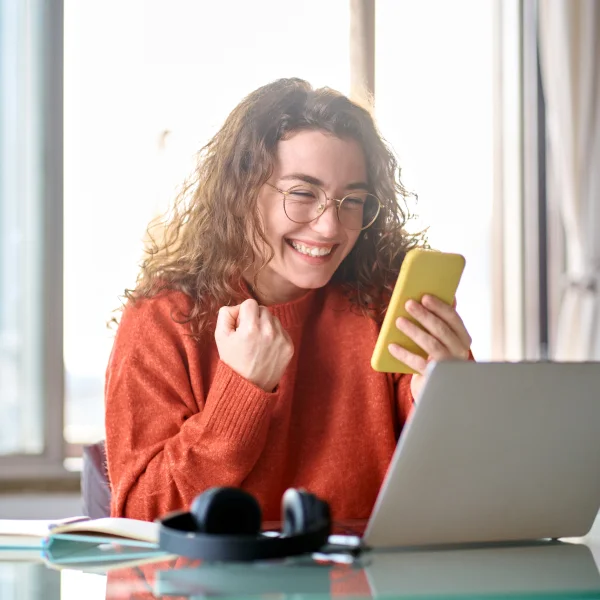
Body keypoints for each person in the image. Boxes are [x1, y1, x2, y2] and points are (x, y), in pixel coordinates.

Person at [105, 78, 473, 523]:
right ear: (241, 191)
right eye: (302, 194)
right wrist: (240, 393)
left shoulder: (385, 308)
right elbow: (139, 518)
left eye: (352, 200)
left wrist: (446, 398)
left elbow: (459, 501)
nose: (330, 228)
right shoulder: (162, 321)